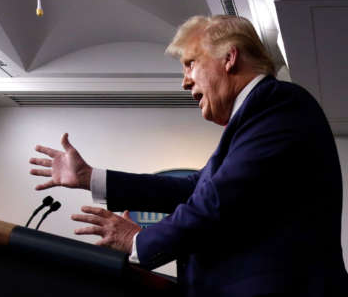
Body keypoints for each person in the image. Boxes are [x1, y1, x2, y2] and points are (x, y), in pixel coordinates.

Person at [29, 15, 348, 297]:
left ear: (229, 57)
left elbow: (215, 201)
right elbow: (194, 189)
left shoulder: (277, 104)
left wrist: (138, 241)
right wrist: (90, 178)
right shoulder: (256, 116)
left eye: (190, 63)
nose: (184, 82)